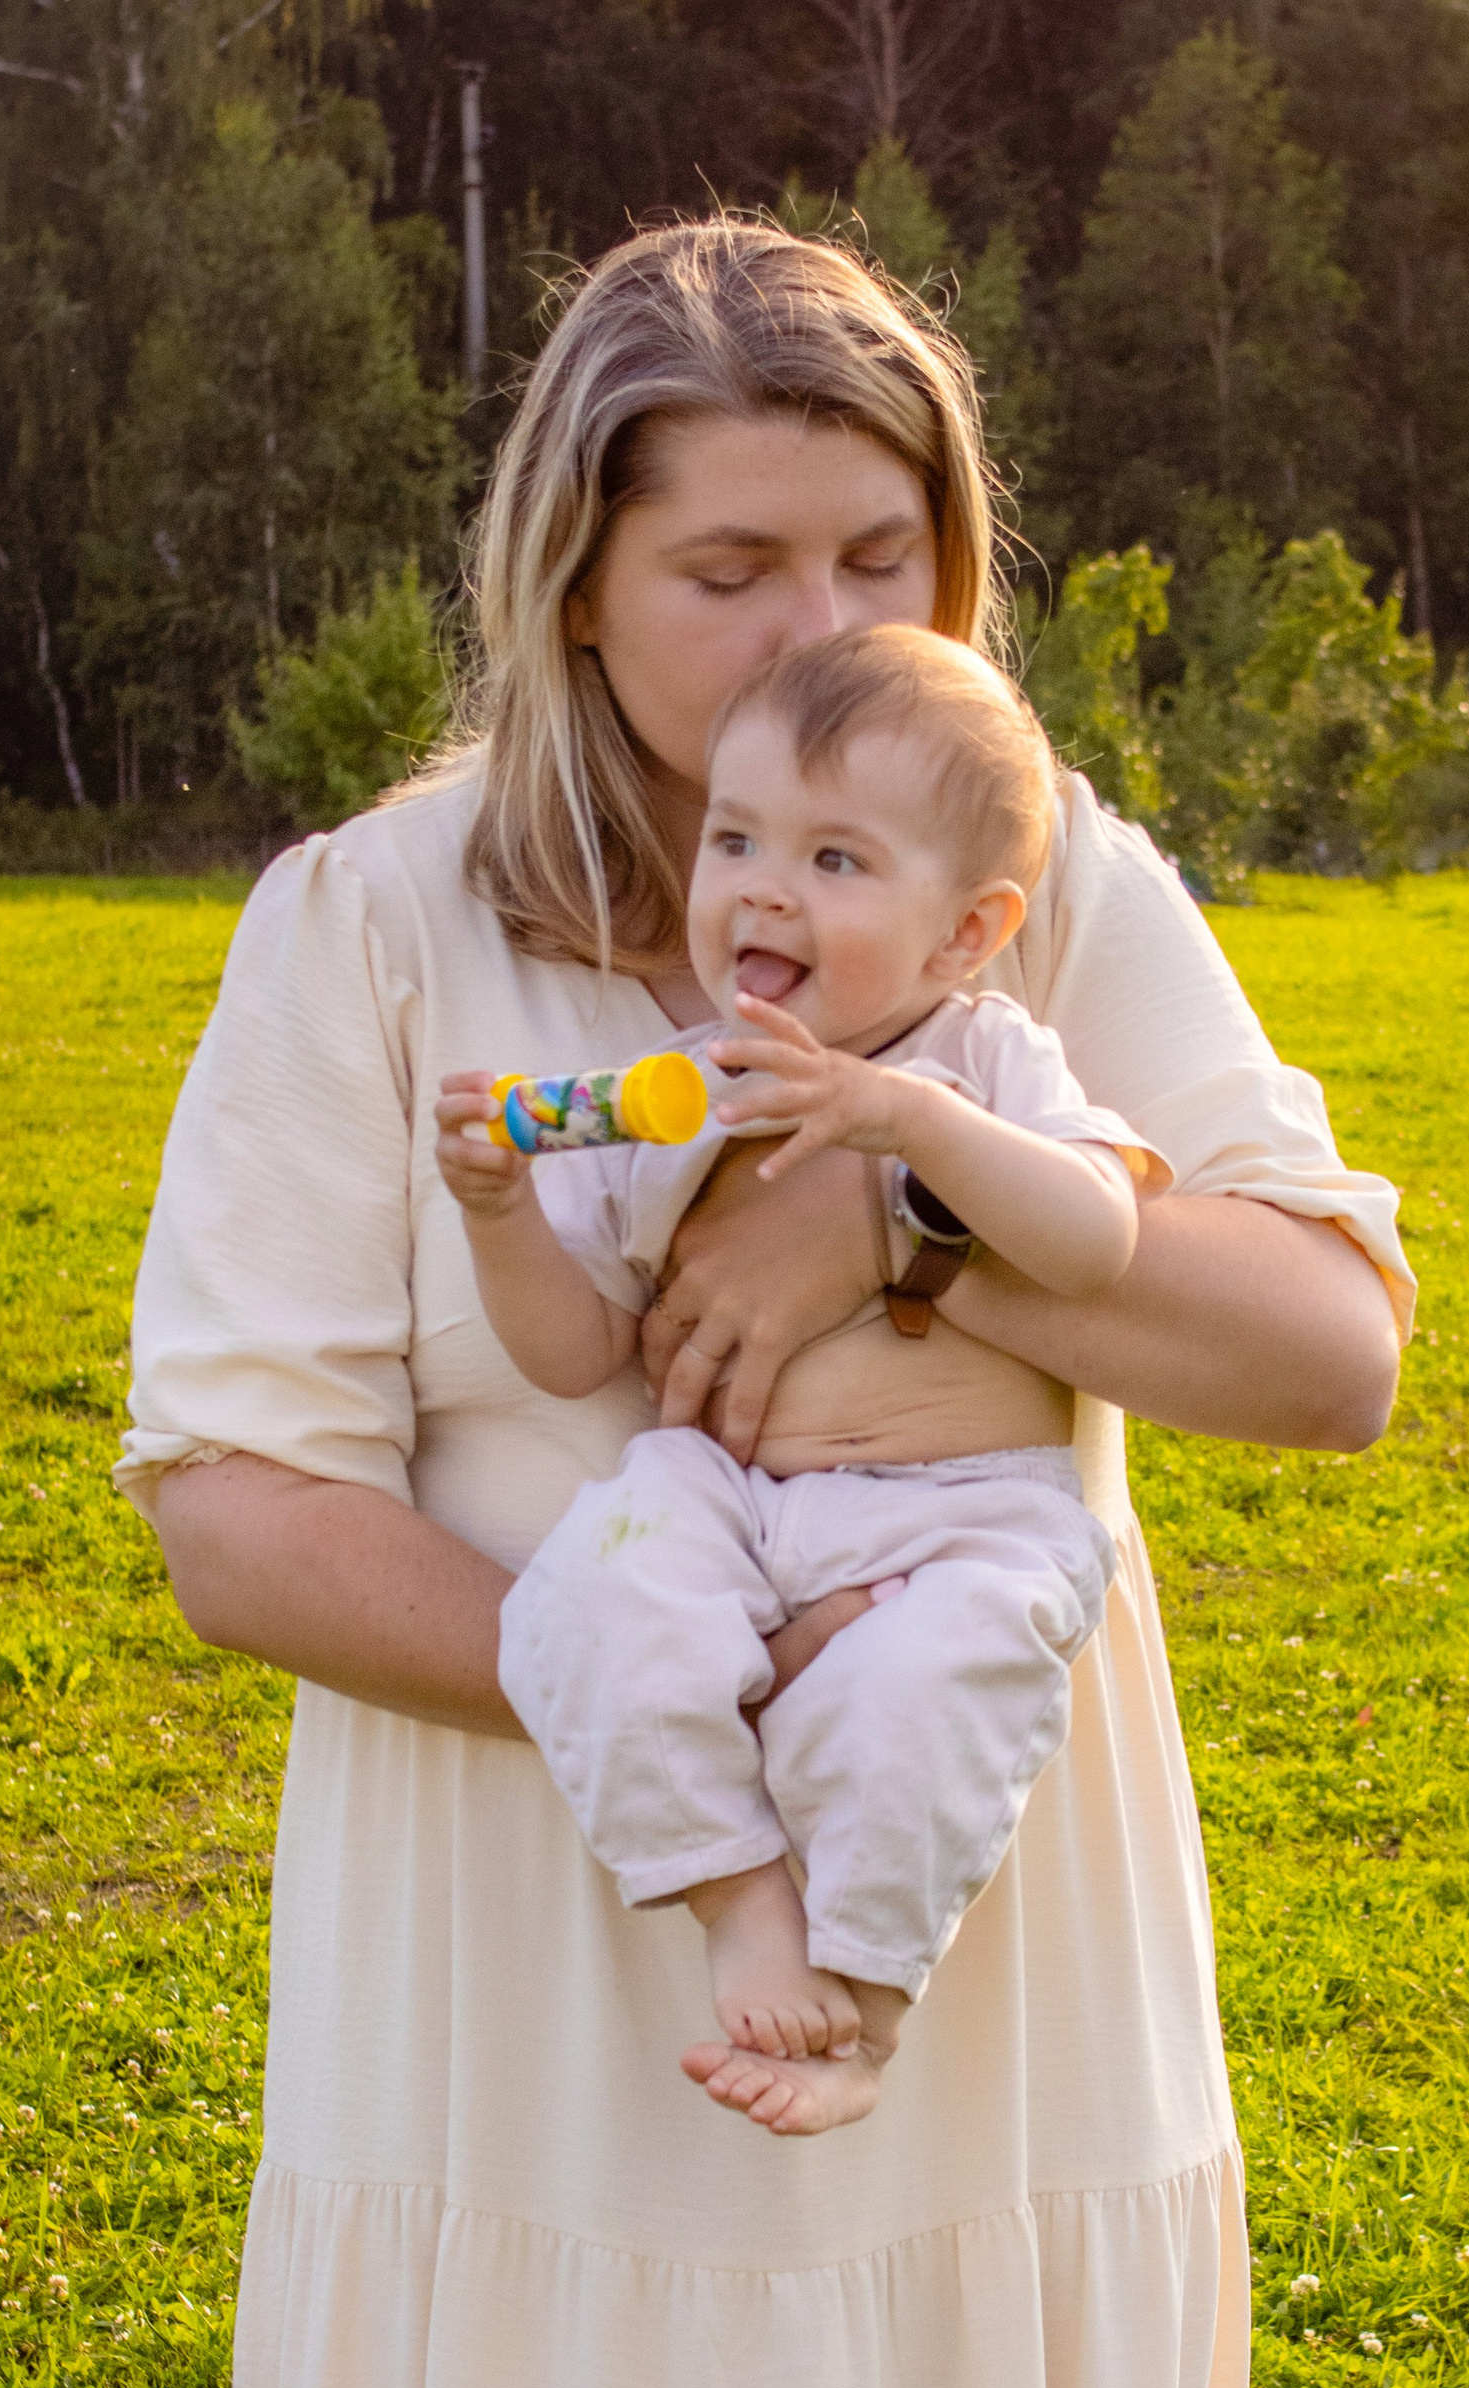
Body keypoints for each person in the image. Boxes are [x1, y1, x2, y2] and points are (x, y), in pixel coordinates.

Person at [121, 212, 1411, 2388]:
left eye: (891, 545)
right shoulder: (372, 926)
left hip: (989, 1985)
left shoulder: (1035, 878)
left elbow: (1332, 1345)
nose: (825, 619)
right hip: (536, 2016)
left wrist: (912, 1206)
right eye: (730, 563)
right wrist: (640, 1690)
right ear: (580, 579)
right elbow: (241, 1510)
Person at [446, 625, 1165, 2137]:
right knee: (583, 1596)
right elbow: (575, 1347)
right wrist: (501, 1211)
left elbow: (1096, 1237)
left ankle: (870, 1998)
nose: (764, 886)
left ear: (965, 933)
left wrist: (901, 1123)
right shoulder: (686, 1087)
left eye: (837, 860)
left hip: (960, 1522)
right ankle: (736, 1896)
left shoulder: (985, 1063)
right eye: (737, 837)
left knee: (924, 1703)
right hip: (741, 1496)